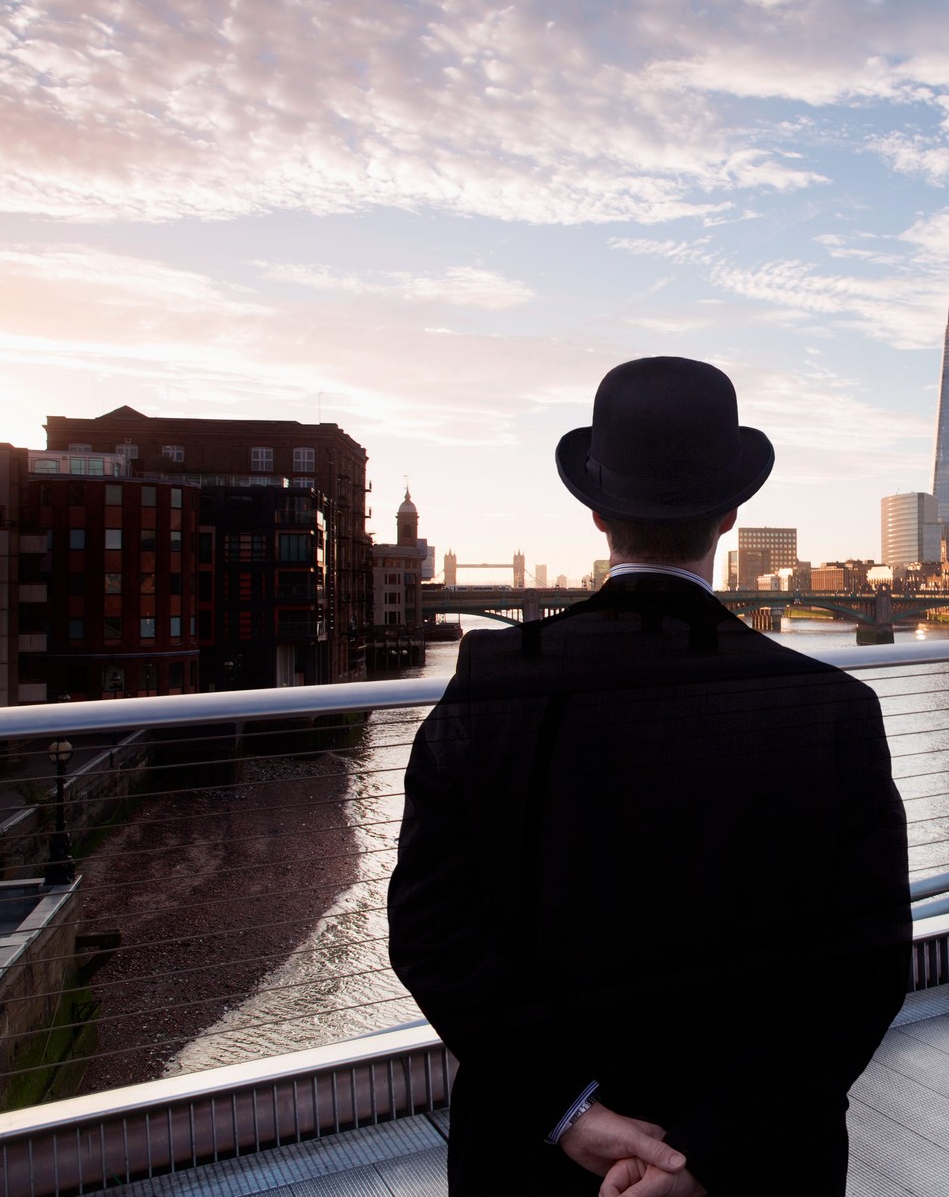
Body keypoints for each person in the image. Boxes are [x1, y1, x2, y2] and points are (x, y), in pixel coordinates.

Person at [388, 356, 911, 1196]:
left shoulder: (491, 682)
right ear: (733, 511)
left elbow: (427, 929)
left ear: (596, 511)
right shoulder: (830, 708)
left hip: (535, 1162)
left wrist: (571, 1112)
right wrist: (703, 1155)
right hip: (753, 1168)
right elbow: (863, 972)